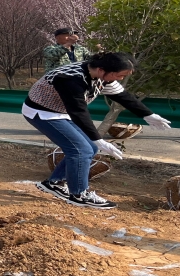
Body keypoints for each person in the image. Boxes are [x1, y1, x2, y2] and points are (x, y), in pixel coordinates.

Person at [24, 52, 172, 209]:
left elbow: (122, 96)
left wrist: (148, 115)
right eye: (119, 75)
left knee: (91, 148)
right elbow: (78, 112)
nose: (120, 79)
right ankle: (79, 194)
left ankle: (55, 183)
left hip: (61, 112)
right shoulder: (69, 79)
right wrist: (97, 138)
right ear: (102, 70)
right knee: (81, 150)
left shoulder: (103, 76)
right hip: (42, 113)